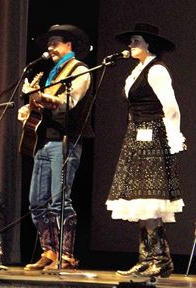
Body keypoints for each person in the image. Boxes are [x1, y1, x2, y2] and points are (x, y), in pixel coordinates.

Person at [106, 23, 186, 278]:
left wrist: (174, 137)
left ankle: (161, 259)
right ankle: (147, 258)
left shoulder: (157, 70)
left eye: (136, 40)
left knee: (149, 201)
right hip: (136, 138)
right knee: (139, 202)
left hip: (153, 137)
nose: (130, 45)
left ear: (149, 44)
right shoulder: (136, 71)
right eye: (130, 41)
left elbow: (171, 107)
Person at [18, 24, 94, 270]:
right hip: (43, 141)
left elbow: (67, 103)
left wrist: (40, 97)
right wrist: (29, 107)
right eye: (48, 44)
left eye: (55, 43)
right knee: (37, 202)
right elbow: (42, 106)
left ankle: (67, 255)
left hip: (66, 141)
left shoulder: (80, 71)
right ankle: (49, 251)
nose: (50, 48)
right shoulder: (53, 74)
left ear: (69, 45)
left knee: (59, 200)